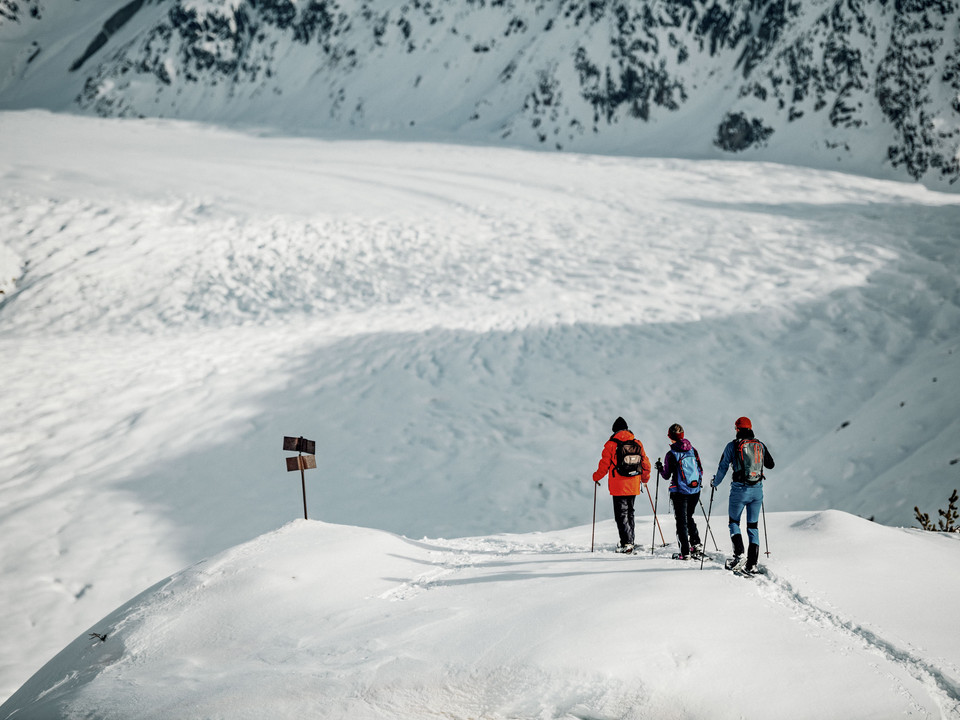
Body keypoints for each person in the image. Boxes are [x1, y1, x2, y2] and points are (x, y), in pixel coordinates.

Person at [710, 416, 775, 573]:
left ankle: (739, 556)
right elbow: (770, 464)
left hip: (739, 491)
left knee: (734, 522)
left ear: (737, 429)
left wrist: (715, 483)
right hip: (757, 490)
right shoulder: (759, 445)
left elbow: (723, 467)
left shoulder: (732, 446)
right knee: (753, 526)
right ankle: (752, 564)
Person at [592, 416, 651, 553]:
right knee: (630, 512)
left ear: (614, 430)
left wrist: (596, 477)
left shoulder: (611, 444)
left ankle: (626, 543)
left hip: (618, 485)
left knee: (621, 514)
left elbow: (604, 465)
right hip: (634, 482)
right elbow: (645, 464)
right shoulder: (637, 443)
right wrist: (645, 478)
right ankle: (630, 540)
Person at [655, 423, 703, 560]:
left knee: (681, 521)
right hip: (694, 490)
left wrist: (659, 468)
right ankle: (696, 543)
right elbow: (700, 470)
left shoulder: (671, 454)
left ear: (670, 436)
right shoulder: (693, 450)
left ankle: (685, 552)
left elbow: (665, 475)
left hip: (679, 492)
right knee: (689, 516)